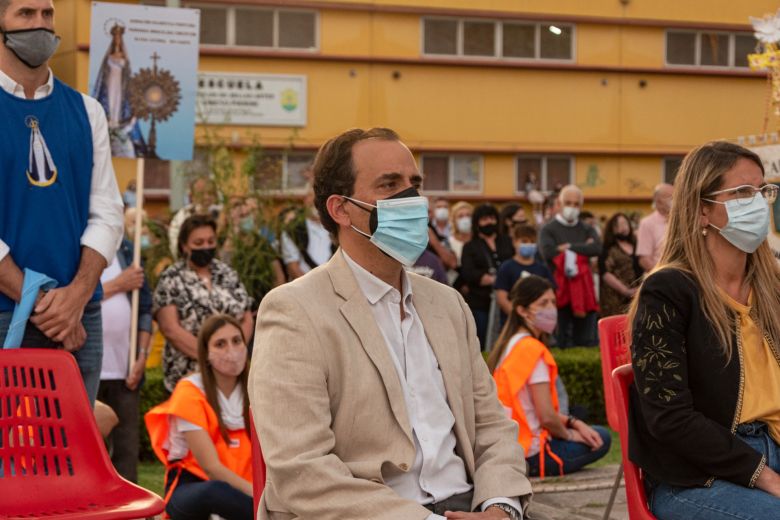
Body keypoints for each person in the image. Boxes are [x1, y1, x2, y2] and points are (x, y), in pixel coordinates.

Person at [250, 128, 535, 520]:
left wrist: (501, 507)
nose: (412, 199)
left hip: (472, 506)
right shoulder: (293, 312)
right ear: (340, 209)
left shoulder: (446, 304)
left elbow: (492, 427)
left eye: (414, 184)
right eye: (389, 184)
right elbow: (302, 470)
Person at [627, 142, 780, 519]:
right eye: (743, 192)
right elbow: (670, 418)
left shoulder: (771, 286)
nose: (759, 203)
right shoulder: (668, 291)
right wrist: (766, 477)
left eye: (763, 191)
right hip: (700, 476)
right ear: (701, 211)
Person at [0, 0, 124, 406]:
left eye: (47, 14)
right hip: (5, 312)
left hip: (79, 316)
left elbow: (107, 212)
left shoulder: (88, 111)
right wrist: (40, 303)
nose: (41, 25)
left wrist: (76, 296)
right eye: (26, 14)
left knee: (71, 457)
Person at [488, 276, 609, 478]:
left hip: (508, 447)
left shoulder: (509, 345)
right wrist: (571, 434)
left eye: (553, 302)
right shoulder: (533, 350)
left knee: (590, 431)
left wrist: (574, 422)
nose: (551, 309)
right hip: (533, 452)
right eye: (543, 303)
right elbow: (546, 417)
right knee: (602, 437)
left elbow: (531, 410)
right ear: (522, 310)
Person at [146, 314, 253, 520]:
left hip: (245, 486)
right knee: (214, 491)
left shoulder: (256, 389)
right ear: (206, 355)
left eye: (236, 341)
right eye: (220, 344)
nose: (231, 350)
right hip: (193, 486)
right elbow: (211, 468)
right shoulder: (190, 391)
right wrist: (261, 497)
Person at [154, 215, 254, 392]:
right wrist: (211, 357)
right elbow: (170, 328)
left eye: (210, 241)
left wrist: (234, 352)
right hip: (188, 373)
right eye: (198, 243)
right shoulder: (171, 278)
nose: (206, 247)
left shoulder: (227, 273)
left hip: (232, 376)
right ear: (184, 246)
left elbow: (246, 317)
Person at [96, 234, 153, 483]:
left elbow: (145, 310)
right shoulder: (74, 247)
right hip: (85, 370)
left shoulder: (127, 250)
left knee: (126, 450)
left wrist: (141, 356)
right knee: (88, 449)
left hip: (124, 369)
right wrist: (119, 284)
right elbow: (73, 295)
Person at [539, 185, 601, 348]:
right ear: (559, 204)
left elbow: (596, 248)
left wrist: (567, 247)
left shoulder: (587, 228)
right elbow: (548, 252)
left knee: (584, 340)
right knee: (558, 340)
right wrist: (582, 247)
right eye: (568, 203)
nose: (572, 208)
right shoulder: (548, 229)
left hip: (583, 292)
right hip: (557, 292)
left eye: (576, 204)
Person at [461, 203, 514, 350]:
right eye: (484, 219)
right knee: (482, 341)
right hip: (481, 303)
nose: (489, 222)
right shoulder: (470, 246)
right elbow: (468, 273)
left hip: (508, 300)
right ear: (477, 222)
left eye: (492, 218)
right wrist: (493, 280)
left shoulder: (507, 241)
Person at [91, 22, 145, 157]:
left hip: (120, 88)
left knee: (118, 103)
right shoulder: (107, 58)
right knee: (109, 102)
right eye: (115, 36)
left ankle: (117, 122)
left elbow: (128, 77)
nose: (117, 39)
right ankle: (110, 121)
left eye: (119, 37)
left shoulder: (124, 59)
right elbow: (102, 77)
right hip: (109, 85)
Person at [494, 224, 555, 322]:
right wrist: (520, 317)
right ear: (514, 242)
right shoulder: (507, 267)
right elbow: (502, 298)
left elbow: (551, 295)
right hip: (513, 322)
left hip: (538, 322)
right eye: (524, 241)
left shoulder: (542, 269)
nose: (529, 245)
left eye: (532, 242)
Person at [280, 189, 334, 279]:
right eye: (313, 197)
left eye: (322, 198)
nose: (316, 202)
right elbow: (293, 266)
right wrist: (311, 287)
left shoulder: (334, 228)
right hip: (304, 286)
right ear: (306, 200)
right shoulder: (293, 230)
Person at [598, 213, 641, 317]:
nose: (623, 227)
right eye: (619, 225)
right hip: (615, 299)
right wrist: (625, 291)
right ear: (612, 229)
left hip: (637, 296)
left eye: (625, 223)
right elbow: (605, 273)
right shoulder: (608, 248)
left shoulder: (636, 244)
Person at [168, 177, 221, 259]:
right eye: (201, 193)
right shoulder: (183, 216)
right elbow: (176, 246)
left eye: (210, 193)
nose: (206, 197)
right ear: (192, 196)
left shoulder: (222, 213)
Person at [636, 183, 673, 272]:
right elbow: (644, 260)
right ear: (659, 200)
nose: (676, 200)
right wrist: (663, 275)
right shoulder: (647, 223)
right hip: (661, 278)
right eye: (671, 197)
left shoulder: (679, 220)